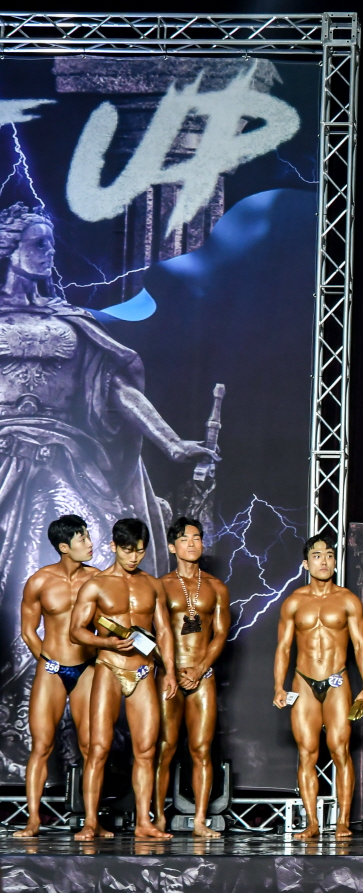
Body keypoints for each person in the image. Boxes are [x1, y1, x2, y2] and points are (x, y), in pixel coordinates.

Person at [0, 204, 216, 776]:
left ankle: (79, 718)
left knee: (93, 555)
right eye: (37, 242)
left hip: (63, 455)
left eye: (51, 243)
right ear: (10, 249)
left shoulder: (74, 323)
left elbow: (118, 390)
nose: (47, 252)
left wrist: (173, 444)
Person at [68, 518, 179, 840]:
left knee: (146, 750)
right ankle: (91, 823)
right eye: (128, 551)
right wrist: (108, 643)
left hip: (143, 670)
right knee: (98, 748)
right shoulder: (96, 584)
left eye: (140, 551)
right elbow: (75, 632)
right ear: (113, 546)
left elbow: (164, 632)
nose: (134, 558)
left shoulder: (153, 585)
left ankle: (144, 822)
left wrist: (170, 671)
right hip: (108, 667)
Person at [272, 532, 363, 840]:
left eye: (329, 556)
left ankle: (343, 821)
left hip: (337, 680)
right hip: (303, 682)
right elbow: (283, 648)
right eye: (317, 556)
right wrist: (278, 686)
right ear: (306, 564)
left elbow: (361, 646)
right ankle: (312, 823)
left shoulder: (347, 600)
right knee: (307, 753)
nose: (324, 561)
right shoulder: (294, 602)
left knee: (340, 749)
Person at [16, 516, 97, 838]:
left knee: (91, 746)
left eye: (88, 537)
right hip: (51, 669)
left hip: (87, 668)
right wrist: (48, 661)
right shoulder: (40, 581)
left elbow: (108, 625)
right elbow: (28, 631)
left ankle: (92, 821)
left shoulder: (97, 579)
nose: (89, 544)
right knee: (42, 745)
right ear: (64, 547)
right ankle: (33, 820)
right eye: (82, 539)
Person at [152, 517, 230, 837]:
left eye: (197, 538)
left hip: (203, 675)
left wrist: (199, 669)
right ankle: (158, 818)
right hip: (168, 676)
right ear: (173, 547)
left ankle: (200, 821)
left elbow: (221, 634)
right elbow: (153, 635)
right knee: (165, 747)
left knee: (201, 749)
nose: (192, 544)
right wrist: (172, 670)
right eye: (184, 539)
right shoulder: (160, 585)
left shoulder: (216, 587)